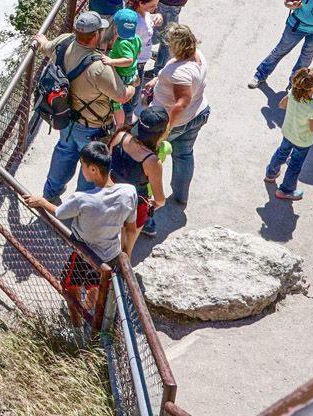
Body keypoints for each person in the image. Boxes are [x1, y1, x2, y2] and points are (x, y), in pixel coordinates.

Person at [32, 12, 135, 198]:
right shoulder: (99, 68)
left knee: (64, 152)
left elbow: (46, 47)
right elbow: (121, 96)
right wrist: (133, 86)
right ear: (96, 35)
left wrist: (41, 40)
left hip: (66, 117)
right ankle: (81, 203)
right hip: (92, 128)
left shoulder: (63, 43)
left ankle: (49, 193)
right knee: (91, 166)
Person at [25, 141, 138, 283]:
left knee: (69, 287)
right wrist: (125, 255)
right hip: (111, 255)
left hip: (84, 255)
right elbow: (131, 230)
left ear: (93, 169)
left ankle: (76, 305)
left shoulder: (82, 199)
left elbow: (60, 213)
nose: (81, 168)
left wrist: (42, 202)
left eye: (82, 165)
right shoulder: (129, 192)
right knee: (97, 290)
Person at [144, 23, 210, 207]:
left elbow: (181, 103)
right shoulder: (196, 55)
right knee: (184, 155)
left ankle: (146, 200)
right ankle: (181, 196)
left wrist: (166, 130)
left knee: (149, 158)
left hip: (175, 122)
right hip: (197, 114)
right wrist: (158, 80)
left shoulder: (182, 72)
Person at [109, 106, 168, 252]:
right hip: (134, 206)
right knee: (125, 250)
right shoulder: (151, 161)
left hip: (111, 194)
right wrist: (157, 204)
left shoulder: (120, 135)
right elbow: (160, 199)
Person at [264, 67, 313, 201]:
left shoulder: (293, 93)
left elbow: (282, 105)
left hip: (288, 132)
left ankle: (271, 174)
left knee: (281, 153)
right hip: (302, 140)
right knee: (295, 165)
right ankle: (285, 190)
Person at [103, 8, 142, 130]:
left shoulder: (122, 43)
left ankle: (119, 125)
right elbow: (138, 52)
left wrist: (111, 61)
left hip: (122, 75)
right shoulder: (136, 38)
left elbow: (128, 60)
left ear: (116, 28)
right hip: (131, 72)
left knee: (116, 104)